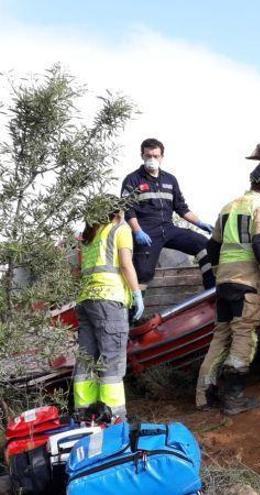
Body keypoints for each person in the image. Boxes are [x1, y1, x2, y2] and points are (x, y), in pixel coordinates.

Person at [194, 162, 260, 415]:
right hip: (247, 284)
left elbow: (211, 247)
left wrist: (219, 274)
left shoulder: (228, 207)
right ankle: (233, 398)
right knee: (244, 335)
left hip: (224, 283)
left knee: (220, 336)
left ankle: (203, 397)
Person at [74, 195, 144, 422]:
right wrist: (136, 293)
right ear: (117, 212)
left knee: (86, 359)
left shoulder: (88, 235)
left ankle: (85, 415)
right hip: (109, 300)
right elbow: (125, 264)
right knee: (111, 360)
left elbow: (76, 273)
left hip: (85, 301)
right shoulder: (118, 229)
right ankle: (113, 418)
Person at [121, 138, 216, 292]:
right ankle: (134, 314)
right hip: (146, 232)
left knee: (204, 245)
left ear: (162, 157)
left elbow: (181, 208)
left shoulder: (170, 180)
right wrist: (137, 231)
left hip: (169, 228)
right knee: (143, 274)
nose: (152, 159)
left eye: (155, 156)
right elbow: (128, 208)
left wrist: (200, 223)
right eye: (148, 156)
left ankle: (211, 289)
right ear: (142, 156)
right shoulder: (132, 179)